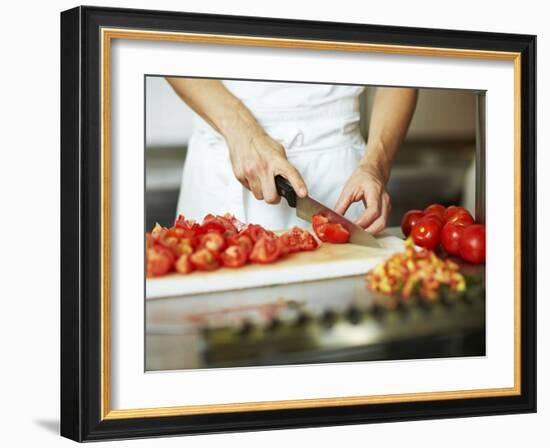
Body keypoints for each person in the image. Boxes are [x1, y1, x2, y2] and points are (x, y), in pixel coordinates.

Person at [166, 78, 417, 234]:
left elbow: (406, 58)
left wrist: (375, 165)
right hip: (223, 164)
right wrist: (240, 131)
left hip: (341, 180)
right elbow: (167, 34)